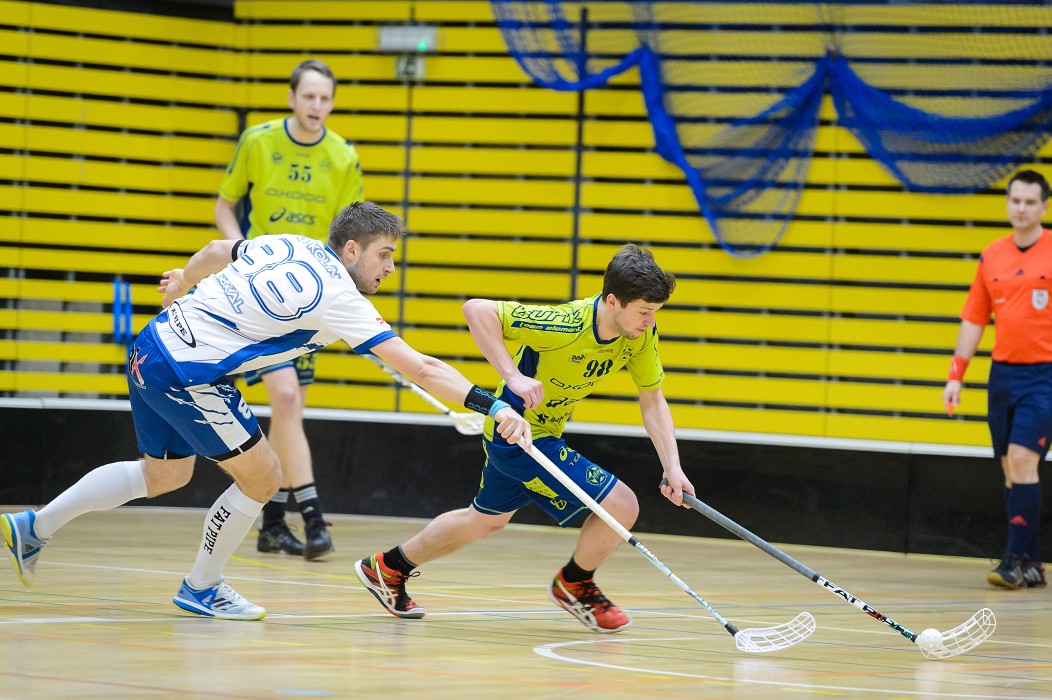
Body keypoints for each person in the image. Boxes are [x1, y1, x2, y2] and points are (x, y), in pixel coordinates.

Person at [0, 202, 531, 620]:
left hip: (152, 344)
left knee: (162, 474)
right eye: (384, 255)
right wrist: (492, 406)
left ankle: (33, 527)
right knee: (264, 478)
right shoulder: (344, 301)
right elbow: (422, 367)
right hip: (190, 373)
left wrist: (180, 284)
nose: (391, 267)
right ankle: (201, 588)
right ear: (351, 249)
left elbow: (213, 249)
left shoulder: (289, 243)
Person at [354, 243, 695, 632]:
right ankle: (575, 584)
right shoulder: (565, 324)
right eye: (644, 312)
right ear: (613, 301)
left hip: (540, 434)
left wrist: (673, 467)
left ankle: (387, 567)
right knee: (623, 505)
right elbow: (477, 310)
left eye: (655, 313)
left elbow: (652, 399)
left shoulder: (638, 335)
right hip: (517, 435)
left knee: (483, 521)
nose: (650, 322)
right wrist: (513, 377)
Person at [214, 58, 364, 560]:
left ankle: (272, 521)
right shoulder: (257, 141)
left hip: (310, 296)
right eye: (309, 97)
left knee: (289, 404)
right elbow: (224, 205)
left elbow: (350, 236)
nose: (317, 106)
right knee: (284, 395)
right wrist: (240, 255)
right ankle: (314, 517)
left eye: (325, 99)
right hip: (260, 291)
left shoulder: (343, 157)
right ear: (291, 97)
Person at [943, 168, 1050, 589]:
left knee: (1024, 462)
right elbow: (974, 318)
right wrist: (956, 374)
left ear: (1043, 206)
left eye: (1029, 202)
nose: (1021, 208)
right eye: (1015, 200)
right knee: (1010, 471)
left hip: (1045, 377)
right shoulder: (992, 255)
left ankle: (1011, 562)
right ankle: (1033, 563)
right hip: (1003, 376)